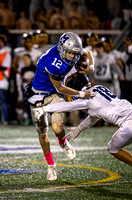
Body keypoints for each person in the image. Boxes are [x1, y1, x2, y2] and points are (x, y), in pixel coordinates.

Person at [25, 32, 95, 181]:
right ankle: (51, 165)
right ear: (62, 49)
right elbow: (61, 88)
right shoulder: (53, 62)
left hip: (53, 95)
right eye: (69, 53)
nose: (71, 56)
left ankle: (64, 143)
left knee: (57, 128)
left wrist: (92, 66)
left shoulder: (70, 50)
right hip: (38, 95)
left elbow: (88, 52)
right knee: (43, 133)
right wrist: (82, 95)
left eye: (74, 53)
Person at [34, 83, 132, 167]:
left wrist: (44, 109)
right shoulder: (99, 88)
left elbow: (68, 106)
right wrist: (79, 128)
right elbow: (96, 113)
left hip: (128, 124)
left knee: (113, 148)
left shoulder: (85, 99)